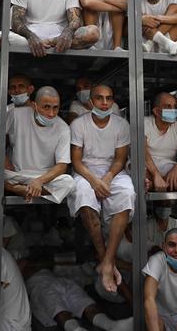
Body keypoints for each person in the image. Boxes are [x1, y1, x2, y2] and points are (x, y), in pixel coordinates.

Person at [67, 84, 135, 294]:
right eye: (99, 98)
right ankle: (105, 259)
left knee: (127, 193)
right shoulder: (79, 124)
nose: (104, 103)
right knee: (84, 198)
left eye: (109, 98)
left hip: (112, 172)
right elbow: (76, 161)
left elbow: (120, 159)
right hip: (85, 171)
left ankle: (107, 262)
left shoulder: (121, 125)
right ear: (91, 102)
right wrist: (94, 181)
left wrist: (106, 178)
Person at [0, 86, 75, 203]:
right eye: (46, 107)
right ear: (34, 105)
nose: (51, 113)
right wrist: (1, 159)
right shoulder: (16, 114)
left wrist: (39, 181)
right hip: (15, 174)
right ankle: (14, 188)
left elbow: (62, 166)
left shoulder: (63, 128)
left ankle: (20, 189)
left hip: (43, 177)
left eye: (55, 108)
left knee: (68, 182)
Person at [26, 267, 133, 331]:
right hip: (41, 286)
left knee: (87, 305)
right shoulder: (20, 270)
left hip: (61, 281)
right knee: (59, 311)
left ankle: (111, 326)